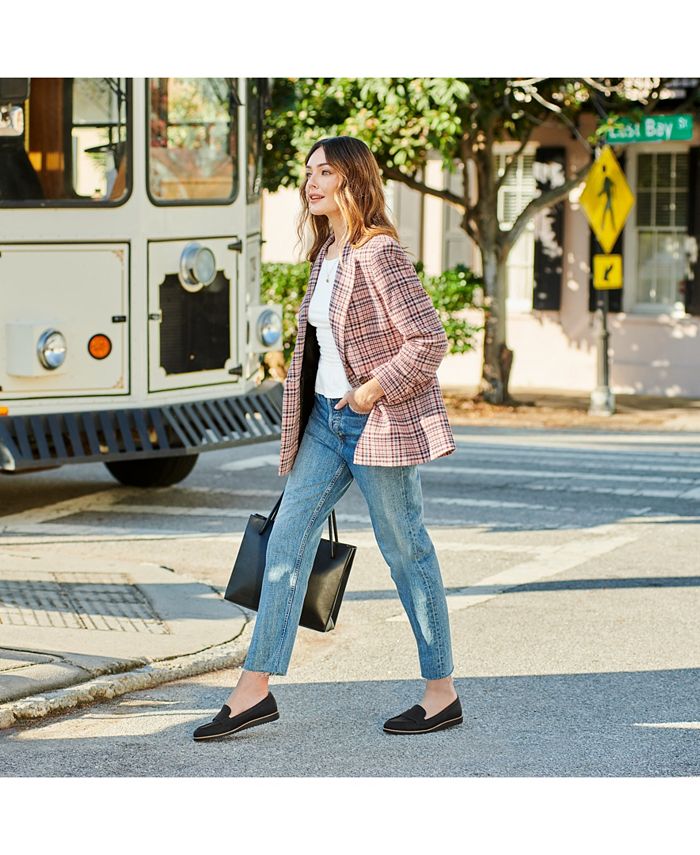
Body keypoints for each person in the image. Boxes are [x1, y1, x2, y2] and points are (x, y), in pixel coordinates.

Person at [193, 135, 461, 741]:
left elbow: (429, 341)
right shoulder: (328, 251)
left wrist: (370, 391)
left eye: (325, 173)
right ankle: (254, 688)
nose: (311, 182)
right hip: (323, 421)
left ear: (354, 182)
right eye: (308, 172)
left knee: (405, 550)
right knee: (284, 542)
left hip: (375, 423)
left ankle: (440, 690)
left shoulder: (378, 253)